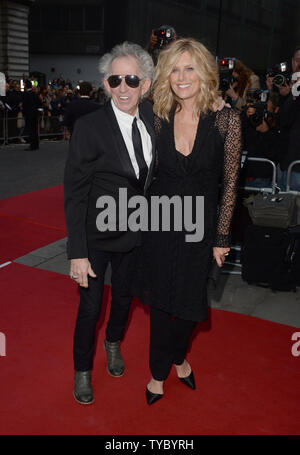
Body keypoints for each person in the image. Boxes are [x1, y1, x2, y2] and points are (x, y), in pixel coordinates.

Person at [141, 38, 242, 405]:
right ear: (165, 75)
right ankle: (157, 374)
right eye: (174, 69)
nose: (182, 77)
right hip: (158, 222)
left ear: (205, 73)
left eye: (190, 68)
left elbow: (230, 182)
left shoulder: (226, 119)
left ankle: (179, 356)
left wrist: (222, 236)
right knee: (161, 302)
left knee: (190, 304)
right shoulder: (155, 114)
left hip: (201, 225)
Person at [64, 41, 155, 405]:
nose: (122, 87)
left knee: (125, 298)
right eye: (114, 79)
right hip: (96, 236)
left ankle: (113, 342)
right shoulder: (89, 127)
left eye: (131, 79)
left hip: (137, 234)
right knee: (90, 308)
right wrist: (77, 252)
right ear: (105, 84)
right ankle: (82, 369)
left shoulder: (154, 119)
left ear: (145, 84)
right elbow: (75, 193)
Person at [22, 79, 42, 150]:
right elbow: (39, 104)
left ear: (26, 86)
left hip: (28, 115)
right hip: (35, 115)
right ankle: (36, 145)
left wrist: (24, 113)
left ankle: (32, 145)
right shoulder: (34, 94)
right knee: (35, 130)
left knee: (31, 131)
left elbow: (24, 105)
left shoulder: (25, 94)